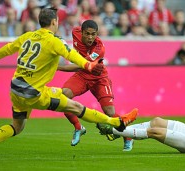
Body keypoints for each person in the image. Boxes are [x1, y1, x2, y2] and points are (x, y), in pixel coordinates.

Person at [0, 8, 138, 162]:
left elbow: (9, 48)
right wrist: (88, 65)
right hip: (35, 94)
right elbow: (71, 54)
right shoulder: (55, 41)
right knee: (77, 108)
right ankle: (117, 123)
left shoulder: (27, 36)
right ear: (54, 22)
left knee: (17, 127)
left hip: (16, 89)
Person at [57, 20, 134, 151]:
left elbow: (81, 65)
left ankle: (127, 136)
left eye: (93, 34)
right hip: (82, 76)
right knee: (63, 97)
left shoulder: (99, 49)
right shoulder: (75, 32)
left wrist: (58, 68)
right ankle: (78, 128)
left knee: (110, 112)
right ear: (81, 32)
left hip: (99, 78)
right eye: (87, 34)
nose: (90, 37)